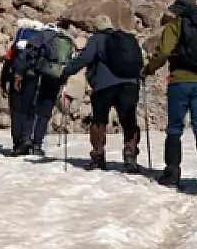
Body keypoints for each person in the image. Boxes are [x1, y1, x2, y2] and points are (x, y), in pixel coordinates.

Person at [141, 0, 197, 192]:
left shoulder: (174, 26)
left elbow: (163, 52)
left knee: (175, 127)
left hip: (180, 82)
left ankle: (172, 172)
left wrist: (147, 70)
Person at [61, 15, 143, 171]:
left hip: (103, 86)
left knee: (99, 121)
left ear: (96, 27)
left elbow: (85, 58)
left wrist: (67, 71)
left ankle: (98, 157)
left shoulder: (97, 39)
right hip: (129, 85)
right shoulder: (127, 39)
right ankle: (130, 156)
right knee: (129, 121)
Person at [1, 23, 73, 157]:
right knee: (45, 113)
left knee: (29, 109)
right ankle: (37, 144)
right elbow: (69, 63)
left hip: (36, 76)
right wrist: (63, 81)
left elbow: (24, 56)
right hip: (54, 78)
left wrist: (18, 75)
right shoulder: (65, 41)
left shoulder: (40, 37)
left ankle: (25, 141)